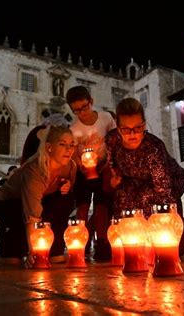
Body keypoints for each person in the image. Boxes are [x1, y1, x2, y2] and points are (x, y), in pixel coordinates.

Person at [106, 98, 184, 254]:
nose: (132, 134)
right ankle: (130, 245)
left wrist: (164, 230)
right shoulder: (112, 140)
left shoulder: (153, 148)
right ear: (118, 128)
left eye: (138, 128)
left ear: (144, 125)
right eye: (125, 129)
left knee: (150, 201)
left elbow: (163, 190)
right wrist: (114, 177)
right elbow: (112, 164)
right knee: (122, 196)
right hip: (133, 182)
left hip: (167, 181)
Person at [0, 125, 76, 265]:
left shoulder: (70, 166)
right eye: (62, 144)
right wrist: (35, 251)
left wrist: (66, 185)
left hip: (40, 200)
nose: (69, 149)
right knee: (13, 259)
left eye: (72, 145)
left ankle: (55, 250)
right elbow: (32, 214)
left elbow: (67, 193)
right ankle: (10, 249)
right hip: (8, 203)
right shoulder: (35, 169)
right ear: (49, 147)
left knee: (65, 200)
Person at [66, 86, 116, 261]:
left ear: (91, 102)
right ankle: (82, 242)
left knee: (102, 205)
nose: (82, 113)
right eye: (77, 110)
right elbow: (72, 153)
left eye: (84, 107)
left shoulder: (106, 118)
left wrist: (108, 163)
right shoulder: (73, 129)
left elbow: (114, 139)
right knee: (83, 206)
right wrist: (82, 165)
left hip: (104, 168)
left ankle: (102, 242)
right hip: (83, 172)